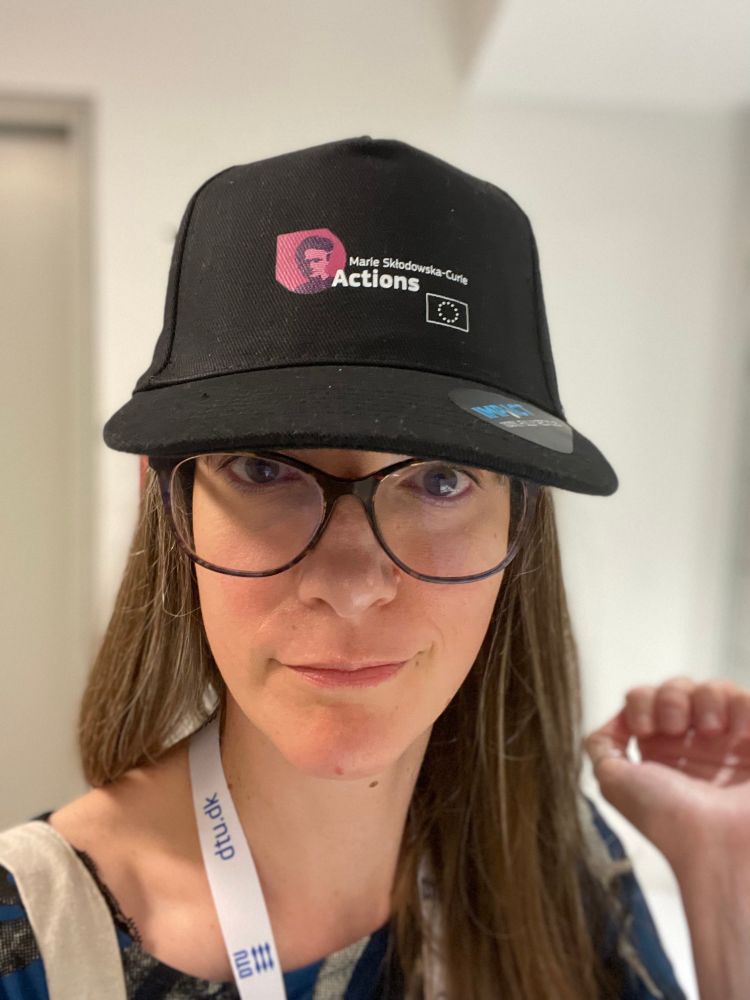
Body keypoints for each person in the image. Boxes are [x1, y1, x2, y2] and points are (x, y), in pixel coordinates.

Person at [0, 136, 747, 1000]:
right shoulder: (33, 946)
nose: (351, 584)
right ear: (166, 502)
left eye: (439, 479)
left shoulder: (561, 868)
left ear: (520, 523)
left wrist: (724, 878)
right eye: (264, 468)